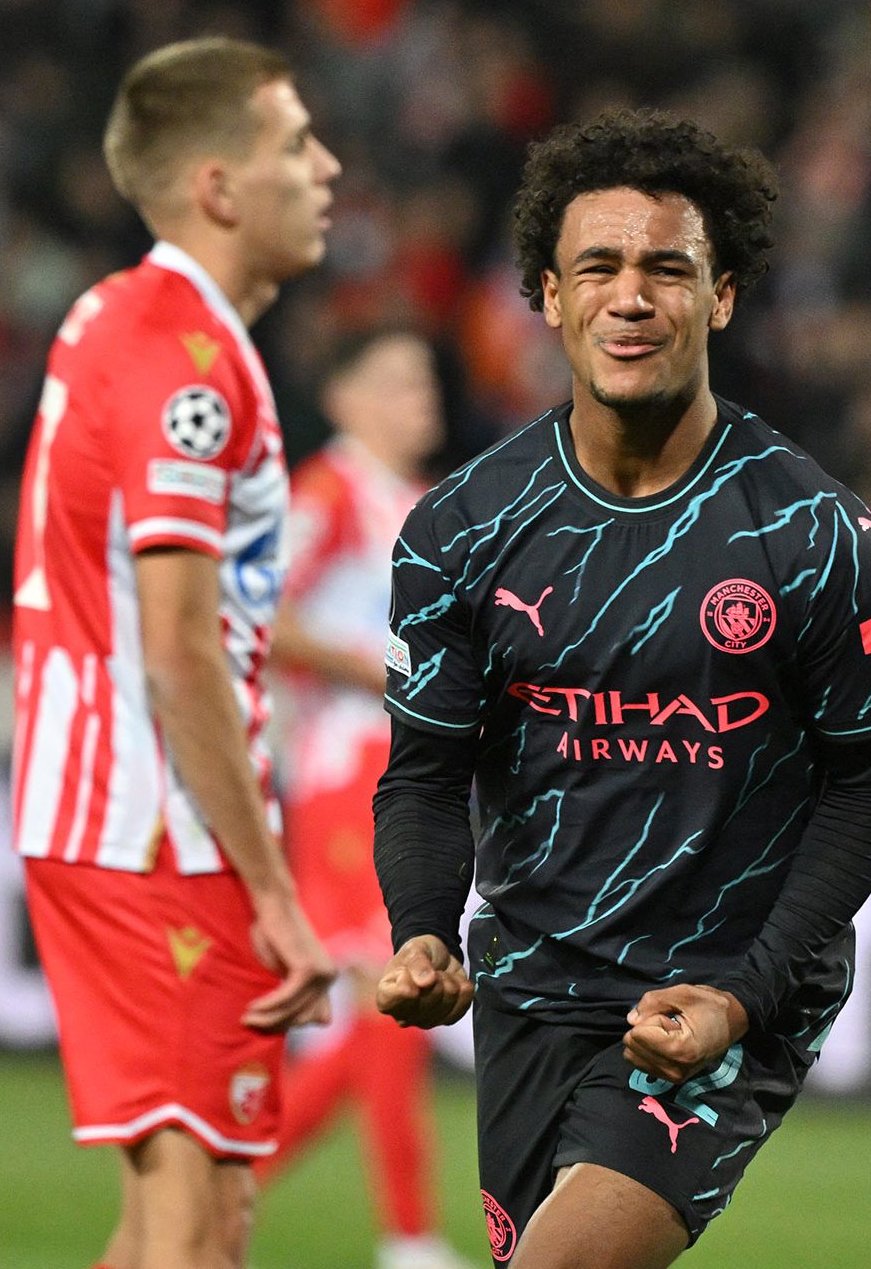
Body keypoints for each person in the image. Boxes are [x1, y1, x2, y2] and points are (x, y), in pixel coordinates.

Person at [369, 108, 871, 1268]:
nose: (633, 296)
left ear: (721, 296)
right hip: (529, 982)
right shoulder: (461, 530)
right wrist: (421, 929)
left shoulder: (817, 537)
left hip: (721, 989)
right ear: (548, 294)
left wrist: (750, 988)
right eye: (600, 268)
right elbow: (424, 771)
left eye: (668, 268)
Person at [11, 37, 340, 1269]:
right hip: (156, 827)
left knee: (188, 1221)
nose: (329, 167)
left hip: (119, 809)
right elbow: (178, 651)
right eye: (297, 144)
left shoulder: (126, 317)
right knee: (197, 1236)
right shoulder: (184, 362)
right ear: (218, 186)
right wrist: (272, 888)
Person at [262, 328, 472, 1269]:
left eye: (424, 377)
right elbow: (266, 618)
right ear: (343, 400)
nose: (418, 395)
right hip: (347, 768)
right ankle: (408, 1236)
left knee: (390, 1003)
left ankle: (226, 1179)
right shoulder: (329, 490)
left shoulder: (422, 504)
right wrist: (388, 672)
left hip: (408, 779)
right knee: (398, 990)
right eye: (394, 380)